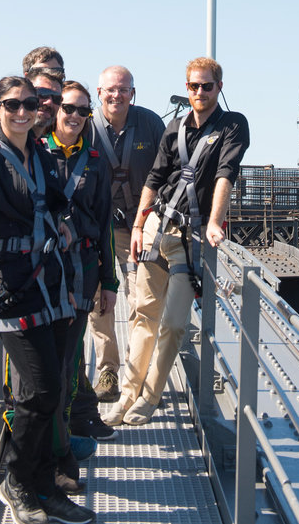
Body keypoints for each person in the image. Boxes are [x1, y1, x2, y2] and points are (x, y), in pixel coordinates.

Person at [0, 76, 95, 524]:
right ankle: (17, 481)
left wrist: (66, 224)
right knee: (42, 389)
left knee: (49, 391)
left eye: (29, 104)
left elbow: (55, 204)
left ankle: (43, 485)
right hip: (10, 286)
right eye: (12, 104)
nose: (22, 110)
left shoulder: (42, 156)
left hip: (49, 282)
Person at [106, 57, 249, 427]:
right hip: (158, 226)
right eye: (194, 86)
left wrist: (215, 222)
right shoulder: (176, 127)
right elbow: (155, 178)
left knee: (173, 323)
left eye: (207, 86)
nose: (200, 92)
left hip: (191, 237)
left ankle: (149, 397)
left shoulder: (233, 125)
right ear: (186, 88)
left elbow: (224, 175)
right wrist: (139, 225)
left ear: (220, 87)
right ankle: (126, 394)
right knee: (144, 315)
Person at [46, 81, 117, 487]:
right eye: (68, 108)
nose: (74, 116)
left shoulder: (95, 162)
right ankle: (50, 454)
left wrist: (109, 281)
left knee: (69, 363)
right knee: (45, 370)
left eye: (82, 111)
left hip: (81, 272)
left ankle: (61, 453)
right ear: (55, 110)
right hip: (42, 275)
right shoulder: (36, 154)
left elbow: (105, 222)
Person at [87, 65, 165, 402]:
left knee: (141, 298)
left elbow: (169, 170)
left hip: (141, 225)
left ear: (133, 93)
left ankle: (137, 371)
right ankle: (107, 370)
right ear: (99, 93)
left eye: (123, 89)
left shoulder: (149, 124)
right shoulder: (87, 126)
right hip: (100, 227)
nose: (116, 95)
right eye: (110, 89)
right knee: (98, 300)